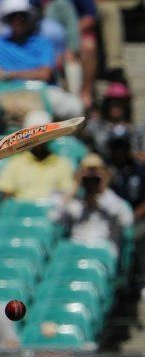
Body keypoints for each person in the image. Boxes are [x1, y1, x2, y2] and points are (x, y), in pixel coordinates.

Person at [0, 0, 83, 122]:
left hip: (41, 93)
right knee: (38, 121)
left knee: (76, 107)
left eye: (22, 16)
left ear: (29, 18)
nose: (18, 20)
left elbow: (44, 74)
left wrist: (8, 74)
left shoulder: (42, 42)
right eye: (13, 16)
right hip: (8, 95)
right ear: (7, 19)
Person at [51, 153, 133, 254]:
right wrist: (75, 185)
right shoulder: (75, 204)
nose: (91, 180)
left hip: (102, 254)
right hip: (76, 253)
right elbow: (54, 218)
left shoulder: (112, 201)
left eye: (96, 175)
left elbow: (126, 221)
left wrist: (103, 187)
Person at [0, 111, 74, 200]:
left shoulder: (62, 163)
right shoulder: (15, 164)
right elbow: (5, 195)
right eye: (35, 137)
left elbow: (66, 195)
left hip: (52, 212)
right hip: (23, 212)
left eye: (44, 135)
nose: (39, 141)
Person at [107, 136, 145, 283]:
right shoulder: (107, 170)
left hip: (137, 218)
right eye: (115, 149)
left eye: (122, 149)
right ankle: (116, 280)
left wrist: (132, 216)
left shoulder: (139, 170)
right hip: (110, 219)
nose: (119, 153)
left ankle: (140, 279)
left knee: (137, 236)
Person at [83, 83, 145, 162]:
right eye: (112, 103)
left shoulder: (137, 129)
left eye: (120, 103)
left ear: (126, 106)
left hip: (131, 169)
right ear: (106, 105)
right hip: (105, 168)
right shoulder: (95, 127)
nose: (115, 107)